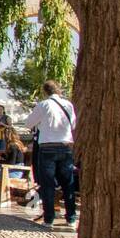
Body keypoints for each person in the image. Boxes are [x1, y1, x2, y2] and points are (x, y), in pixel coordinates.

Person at [24, 80, 77, 228]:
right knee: (68, 183)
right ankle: (71, 217)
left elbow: (29, 123)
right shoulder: (68, 105)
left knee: (47, 184)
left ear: (45, 92)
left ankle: (49, 218)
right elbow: (73, 124)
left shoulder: (43, 105)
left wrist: (42, 124)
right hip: (65, 146)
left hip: (47, 147)